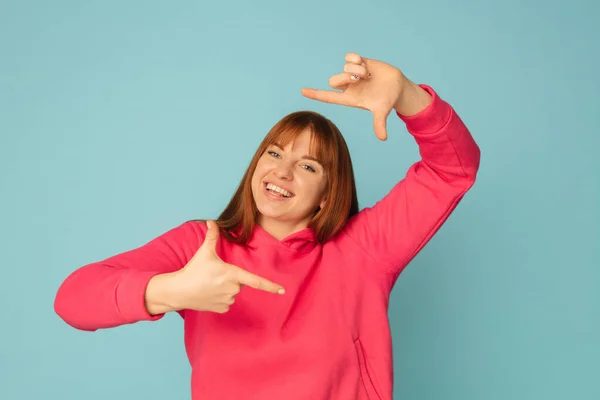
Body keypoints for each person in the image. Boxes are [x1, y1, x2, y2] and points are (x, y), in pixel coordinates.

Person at [54, 52, 481, 399]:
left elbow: (451, 172)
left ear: (328, 196)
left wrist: (408, 96)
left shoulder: (363, 248)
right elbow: (73, 299)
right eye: (275, 154)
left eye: (307, 165)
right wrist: (172, 291)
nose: (283, 171)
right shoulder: (201, 245)